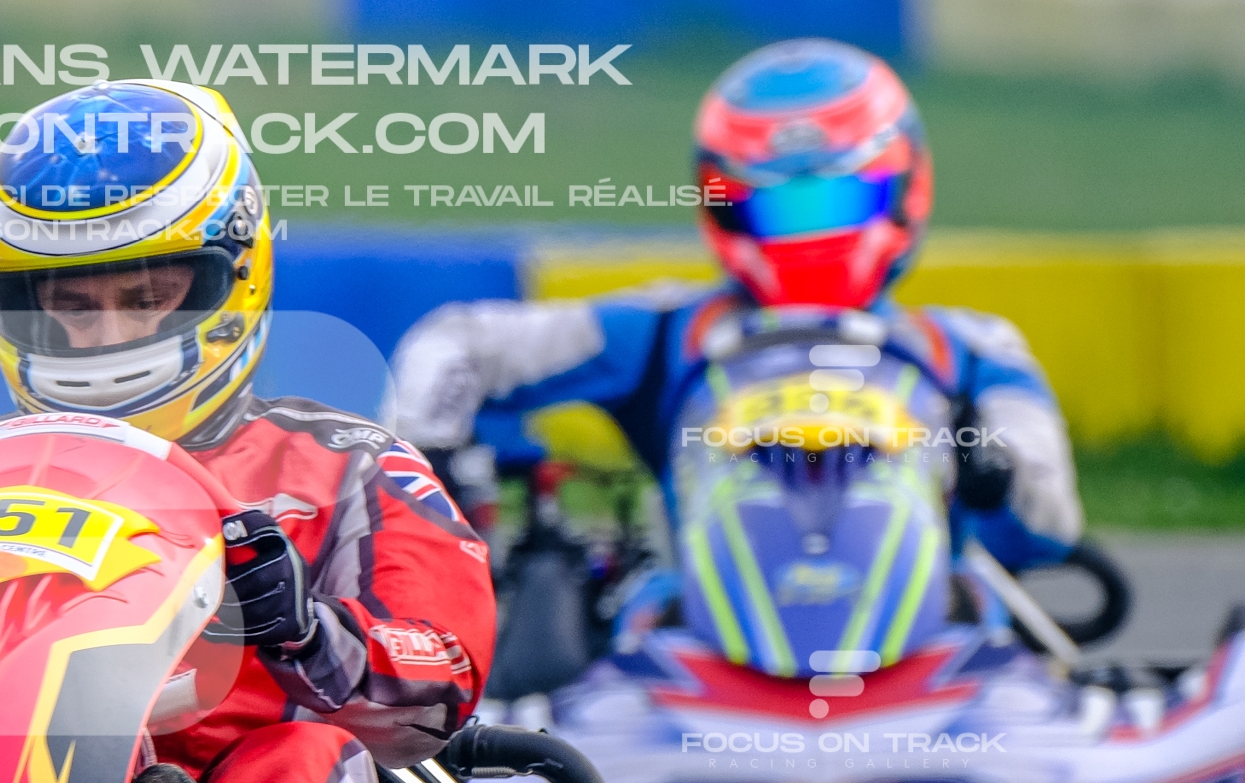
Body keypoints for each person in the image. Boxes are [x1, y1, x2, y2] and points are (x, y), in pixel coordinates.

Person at [0, 79, 497, 783]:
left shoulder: (349, 467)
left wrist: (304, 629)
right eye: (72, 305)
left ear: (234, 276)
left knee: (303, 755)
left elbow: (440, 680)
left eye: (145, 298)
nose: (108, 336)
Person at [389, 39, 1083, 578]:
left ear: (906, 191)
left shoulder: (970, 351)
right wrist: (428, 454)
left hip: (927, 638)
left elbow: (1049, 528)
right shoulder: (665, 333)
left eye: (836, 202)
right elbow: (454, 341)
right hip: (695, 642)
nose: (807, 235)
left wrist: (992, 470)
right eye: (775, 208)